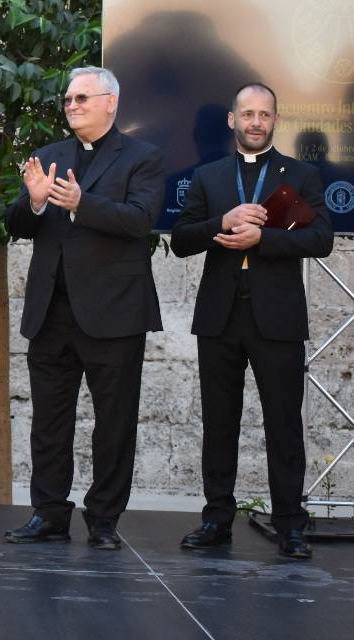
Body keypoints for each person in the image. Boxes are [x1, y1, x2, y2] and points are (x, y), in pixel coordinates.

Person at [3, 65, 164, 551]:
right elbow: (17, 224)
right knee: (49, 421)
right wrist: (32, 203)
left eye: (82, 98)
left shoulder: (144, 158)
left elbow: (140, 221)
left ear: (111, 102)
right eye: (68, 99)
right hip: (51, 313)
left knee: (114, 423)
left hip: (113, 315)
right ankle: (49, 514)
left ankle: (104, 520)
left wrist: (79, 203)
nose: (72, 106)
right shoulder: (48, 156)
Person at [171, 82, 332, 560]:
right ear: (232, 120)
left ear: (275, 121)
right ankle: (217, 521)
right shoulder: (209, 176)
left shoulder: (301, 175)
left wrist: (261, 239)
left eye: (264, 114)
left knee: (284, 425)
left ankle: (290, 526)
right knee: (220, 425)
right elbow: (180, 240)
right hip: (220, 318)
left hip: (277, 318)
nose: (255, 122)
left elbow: (321, 238)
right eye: (247, 114)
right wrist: (222, 222)